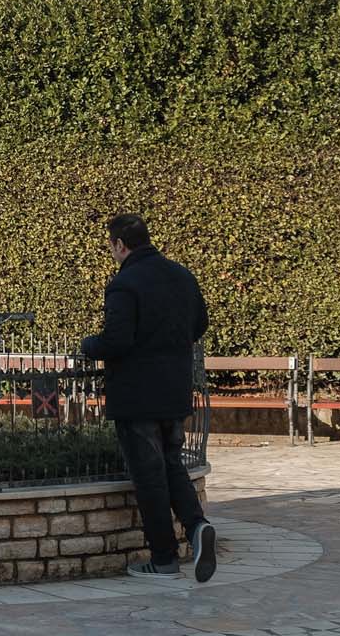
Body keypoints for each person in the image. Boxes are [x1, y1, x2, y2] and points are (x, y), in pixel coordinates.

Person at [82, 213, 215, 582]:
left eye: (111, 246)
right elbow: (199, 324)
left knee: (150, 476)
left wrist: (88, 345)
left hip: (137, 395)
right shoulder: (182, 276)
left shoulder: (124, 284)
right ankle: (197, 526)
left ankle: (163, 558)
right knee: (172, 465)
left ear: (120, 245)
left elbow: (117, 341)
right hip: (174, 390)